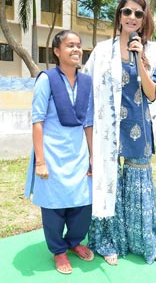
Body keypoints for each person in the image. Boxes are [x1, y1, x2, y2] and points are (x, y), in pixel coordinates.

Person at [83, 0, 156, 266]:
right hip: (108, 127)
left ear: (143, 21)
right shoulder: (101, 50)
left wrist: (141, 60)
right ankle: (109, 241)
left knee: (139, 185)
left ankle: (146, 242)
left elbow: (153, 94)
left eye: (138, 14)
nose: (132, 17)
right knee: (109, 183)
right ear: (119, 15)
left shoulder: (151, 50)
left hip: (137, 128)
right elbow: (87, 87)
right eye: (127, 11)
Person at [25, 30, 94, 274]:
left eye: (79, 45)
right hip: (52, 154)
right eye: (70, 45)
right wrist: (40, 162)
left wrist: (92, 156)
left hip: (79, 154)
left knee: (83, 205)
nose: (76, 50)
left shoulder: (87, 82)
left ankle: (74, 242)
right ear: (57, 51)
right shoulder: (46, 79)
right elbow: (37, 121)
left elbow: (88, 122)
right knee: (54, 207)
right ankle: (59, 250)